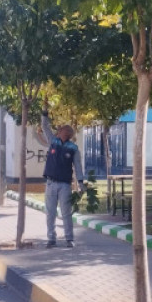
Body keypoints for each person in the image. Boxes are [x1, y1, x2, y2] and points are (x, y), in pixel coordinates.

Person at [41, 104, 85, 248]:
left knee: (66, 213)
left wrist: (81, 183)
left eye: (64, 132)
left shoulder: (73, 148)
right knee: (50, 213)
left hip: (65, 185)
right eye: (61, 131)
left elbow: (77, 166)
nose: (60, 132)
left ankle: (69, 239)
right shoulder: (53, 141)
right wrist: (45, 112)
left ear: (68, 135)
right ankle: (51, 239)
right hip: (50, 183)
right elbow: (45, 127)